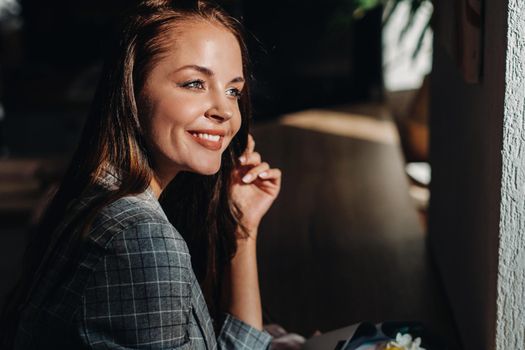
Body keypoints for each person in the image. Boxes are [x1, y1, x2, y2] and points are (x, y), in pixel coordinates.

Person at [0, 0, 281, 348]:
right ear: (132, 89)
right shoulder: (141, 238)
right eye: (194, 83)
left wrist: (242, 228)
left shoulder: (94, 197)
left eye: (233, 90)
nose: (225, 110)